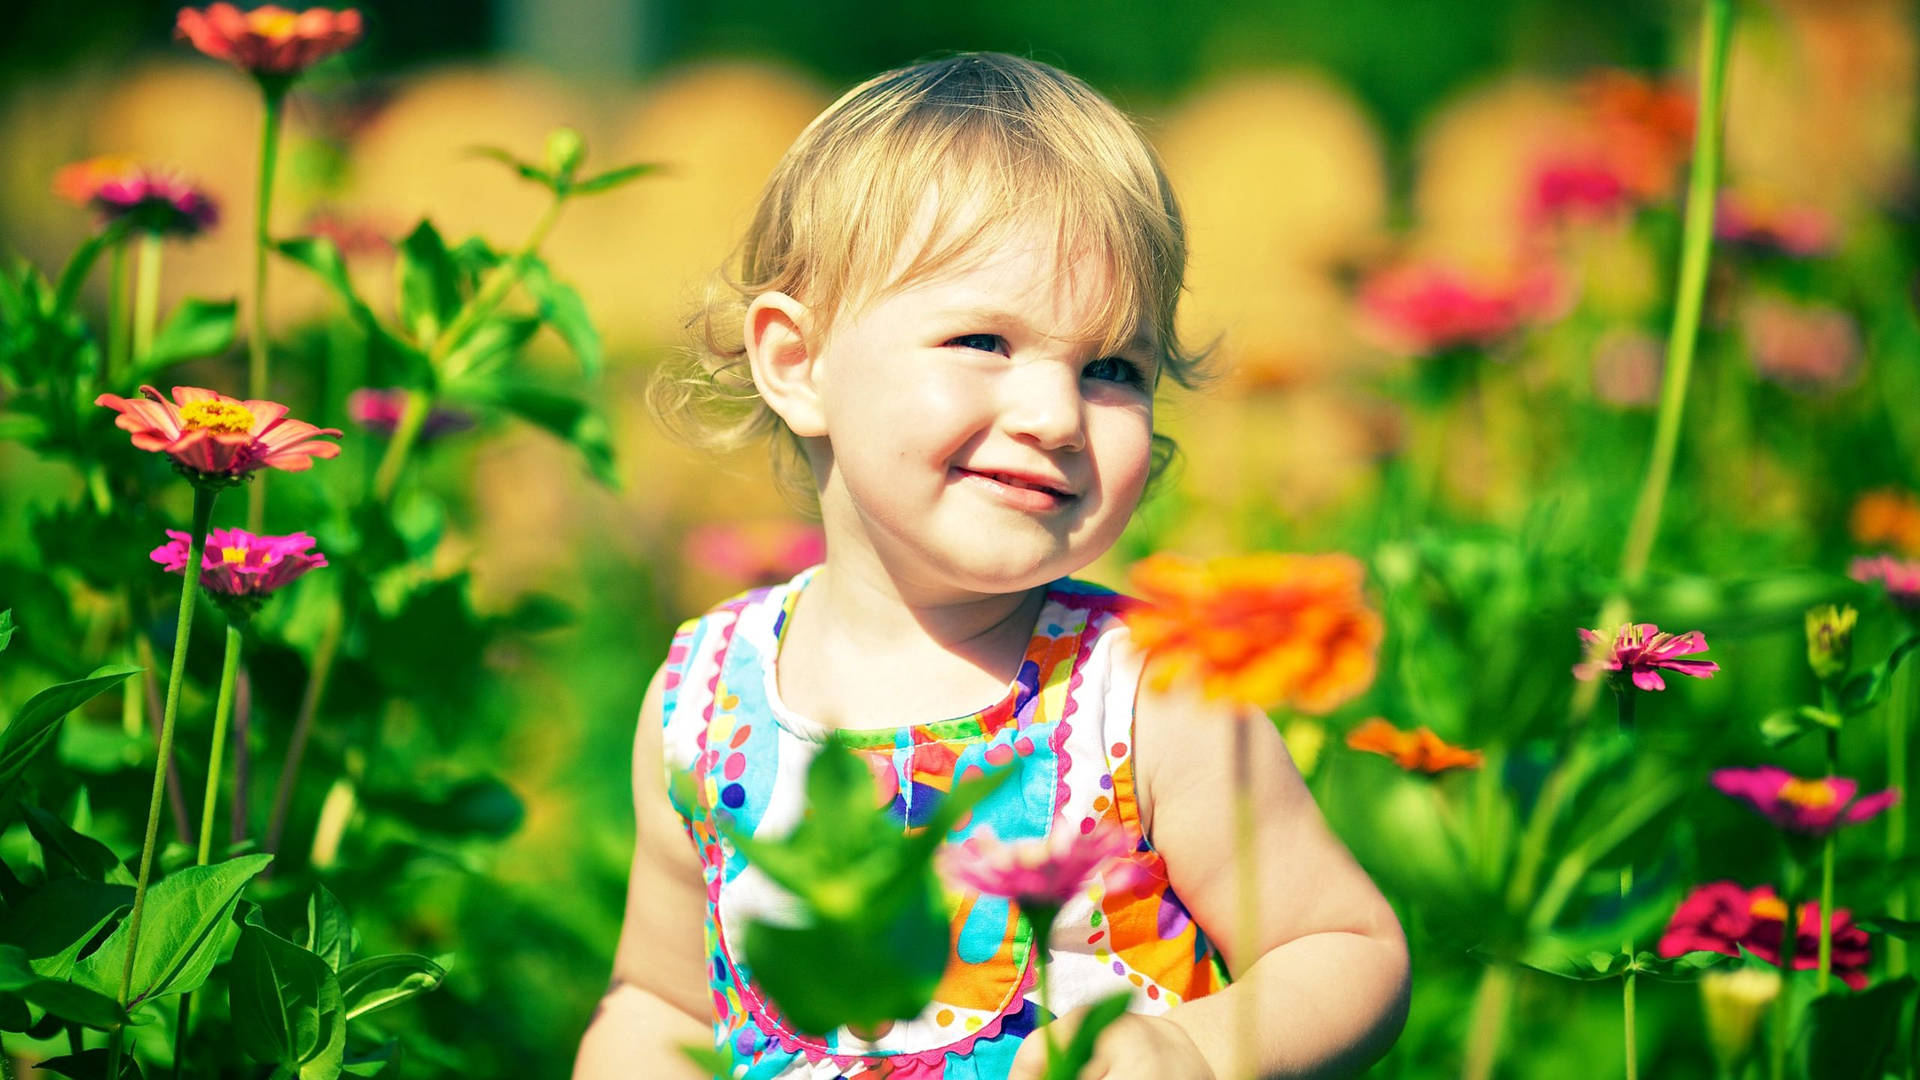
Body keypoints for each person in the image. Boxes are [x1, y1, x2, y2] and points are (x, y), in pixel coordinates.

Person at [573, 52, 1409, 1080]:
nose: (1055, 415)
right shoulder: (702, 702)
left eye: (1113, 369)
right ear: (799, 363)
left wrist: (1188, 1051)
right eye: (983, 339)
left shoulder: (1148, 691)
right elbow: (659, 999)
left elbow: (1344, 949)